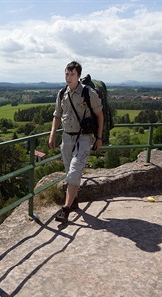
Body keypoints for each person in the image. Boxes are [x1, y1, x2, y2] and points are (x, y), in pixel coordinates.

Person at [49, 61, 104, 223]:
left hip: (84, 138)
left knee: (73, 173)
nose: (68, 77)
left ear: (78, 76)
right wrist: (52, 135)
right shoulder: (61, 94)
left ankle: (65, 209)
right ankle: (74, 202)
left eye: (72, 74)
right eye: (67, 74)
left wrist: (99, 138)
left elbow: (100, 116)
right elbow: (57, 115)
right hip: (66, 137)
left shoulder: (88, 93)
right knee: (69, 172)